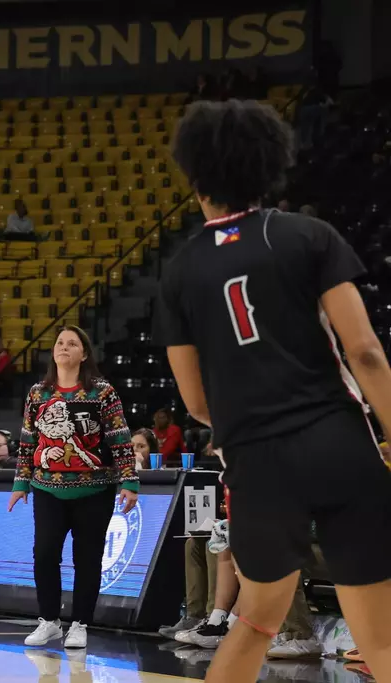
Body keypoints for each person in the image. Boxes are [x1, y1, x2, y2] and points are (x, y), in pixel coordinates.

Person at [156, 98, 391, 683]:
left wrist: (245, 426)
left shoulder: (180, 271)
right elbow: (363, 352)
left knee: (256, 621)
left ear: (195, 176)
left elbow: (194, 402)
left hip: (257, 458)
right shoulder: (309, 235)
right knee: (382, 640)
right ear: (269, 166)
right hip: (336, 441)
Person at [9, 325, 139, 650]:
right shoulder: (38, 394)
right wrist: (20, 481)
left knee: (88, 559)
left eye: (72, 343)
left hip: (95, 490)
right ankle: (49, 621)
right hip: (47, 488)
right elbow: (27, 441)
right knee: (44, 554)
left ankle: (80, 624)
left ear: (84, 354)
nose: (64, 347)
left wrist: (130, 480)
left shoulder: (102, 392)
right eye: (59, 343)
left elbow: (120, 437)